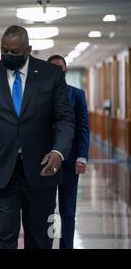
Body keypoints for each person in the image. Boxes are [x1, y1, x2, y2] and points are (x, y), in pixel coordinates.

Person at [0, 25, 75, 249]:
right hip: (0, 171)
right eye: (4, 51)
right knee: (5, 236)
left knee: (40, 239)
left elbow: (65, 118)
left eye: (14, 52)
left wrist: (58, 151)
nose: (8, 55)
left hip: (41, 169)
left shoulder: (51, 74)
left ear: (28, 50)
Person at [48, 54, 90, 249]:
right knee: (46, 210)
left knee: (67, 211)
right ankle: (46, 244)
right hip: (45, 163)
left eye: (61, 67)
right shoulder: (38, 95)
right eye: (53, 68)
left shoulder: (77, 95)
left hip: (70, 162)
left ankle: (66, 246)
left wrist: (82, 157)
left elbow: (83, 128)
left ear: (66, 70)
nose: (58, 71)